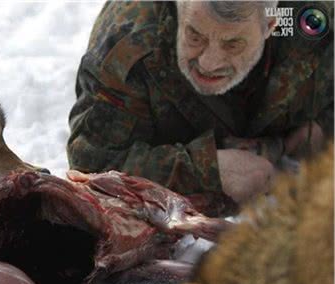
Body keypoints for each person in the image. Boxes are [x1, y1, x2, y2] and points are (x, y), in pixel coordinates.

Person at [67, 1, 333, 216]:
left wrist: (323, 124)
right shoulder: (130, 41)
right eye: (195, 36)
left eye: (233, 43)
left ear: (270, 26)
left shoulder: (315, 22)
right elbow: (91, 161)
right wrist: (206, 169)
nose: (209, 62)